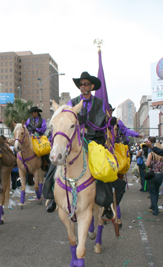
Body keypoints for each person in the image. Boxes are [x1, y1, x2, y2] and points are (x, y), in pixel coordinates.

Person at [44, 71, 107, 213]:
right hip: (76, 138)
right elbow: (64, 115)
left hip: (94, 140)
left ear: (92, 86)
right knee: (56, 161)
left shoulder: (100, 103)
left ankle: (106, 201)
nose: (83, 87)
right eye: (81, 84)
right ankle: (52, 196)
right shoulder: (72, 102)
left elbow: (103, 120)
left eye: (86, 84)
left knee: (103, 165)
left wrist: (108, 121)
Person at [145, 142, 163, 216]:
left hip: (151, 175)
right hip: (159, 175)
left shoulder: (151, 154)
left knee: (152, 192)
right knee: (156, 191)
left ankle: (155, 209)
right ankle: (153, 206)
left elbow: (147, 164)